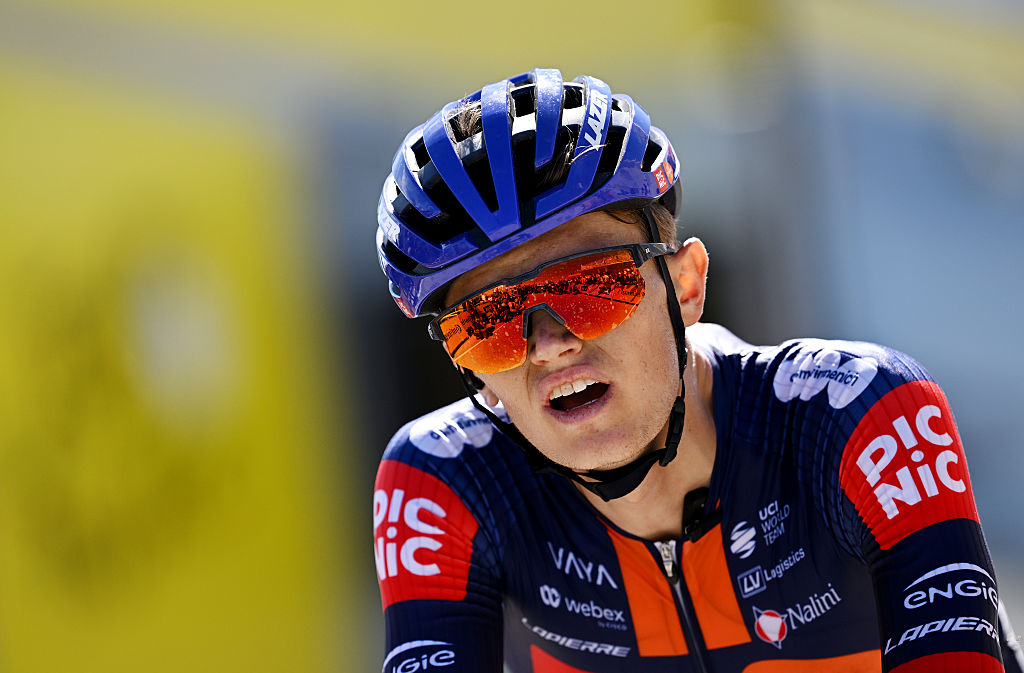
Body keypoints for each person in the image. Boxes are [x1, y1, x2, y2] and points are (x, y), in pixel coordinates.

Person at [372, 68, 1024, 673]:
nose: (547, 345)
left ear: (685, 284)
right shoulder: (447, 483)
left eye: (590, 287)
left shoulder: (859, 417)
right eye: (487, 323)